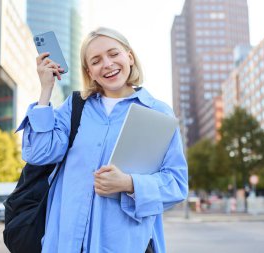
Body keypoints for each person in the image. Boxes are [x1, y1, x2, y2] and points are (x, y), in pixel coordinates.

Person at [16, 27, 188, 253]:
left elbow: (176, 184)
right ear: (89, 72)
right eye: (96, 61)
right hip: (65, 244)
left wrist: (129, 183)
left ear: (130, 56)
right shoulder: (74, 107)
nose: (107, 64)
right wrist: (45, 90)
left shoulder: (157, 113)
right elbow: (38, 153)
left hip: (126, 245)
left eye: (114, 54)